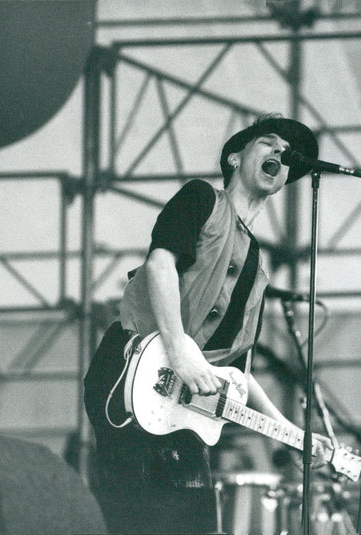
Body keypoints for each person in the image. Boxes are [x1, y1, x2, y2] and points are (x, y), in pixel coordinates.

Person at [84, 113, 331, 534]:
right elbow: (160, 262)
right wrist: (178, 348)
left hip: (181, 407)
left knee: (195, 523)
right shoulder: (202, 199)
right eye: (268, 143)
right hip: (130, 370)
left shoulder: (259, 271)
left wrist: (290, 435)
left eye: (287, 155)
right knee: (137, 518)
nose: (279, 154)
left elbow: (237, 374)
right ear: (235, 158)